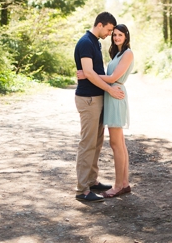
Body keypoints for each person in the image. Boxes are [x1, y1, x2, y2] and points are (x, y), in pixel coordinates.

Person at [74, 12, 125, 203]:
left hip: (96, 98)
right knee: (87, 143)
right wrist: (110, 90)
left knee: (96, 142)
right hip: (88, 99)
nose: (110, 34)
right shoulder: (86, 42)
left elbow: (93, 72)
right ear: (100, 25)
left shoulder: (96, 42)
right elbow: (88, 72)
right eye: (110, 30)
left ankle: (92, 181)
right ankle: (82, 189)